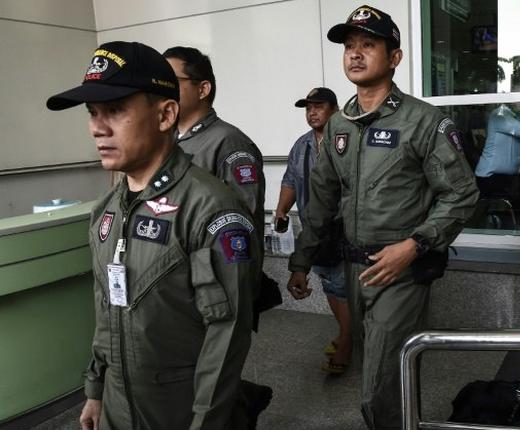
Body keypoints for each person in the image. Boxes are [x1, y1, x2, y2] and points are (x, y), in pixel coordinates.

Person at [47, 41, 261, 430]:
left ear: (165, 115)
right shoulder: (105, 212)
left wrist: (206, 422)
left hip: (181, 410)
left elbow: (226, 337)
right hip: (117, 404)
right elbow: (106, 309)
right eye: (93, 112)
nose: (98, 127)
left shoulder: (211, 210)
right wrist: (96, 391)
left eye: (115, 110)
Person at [285, 5, 479, 429]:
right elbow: (319, 199)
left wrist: (415, 245)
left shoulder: (423, 122)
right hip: (354, 266)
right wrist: (301, 261)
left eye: (368, 45)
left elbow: (461, 194)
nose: (355, 54)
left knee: (381, 379)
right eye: (349, 46)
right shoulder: (339, 124)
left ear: (395, 58)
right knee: (378, 366)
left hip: (400, 271)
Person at [275, 87, 351, 374]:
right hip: (314, 231)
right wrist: (282, 210)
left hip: (346, 228)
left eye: (318, 107)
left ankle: (346, 343)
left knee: (343, 288)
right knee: (331, 284)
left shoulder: (348, 140)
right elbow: (291, 179)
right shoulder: (302, 145)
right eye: (308, 108)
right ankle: (347, 335)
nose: (312, 113)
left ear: (335, 109)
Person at [164, 46, 265, 229]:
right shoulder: (168, 141)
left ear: (203, 89)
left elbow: (240, 224)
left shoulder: (230, 144)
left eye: (171, 81)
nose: (162, 89)